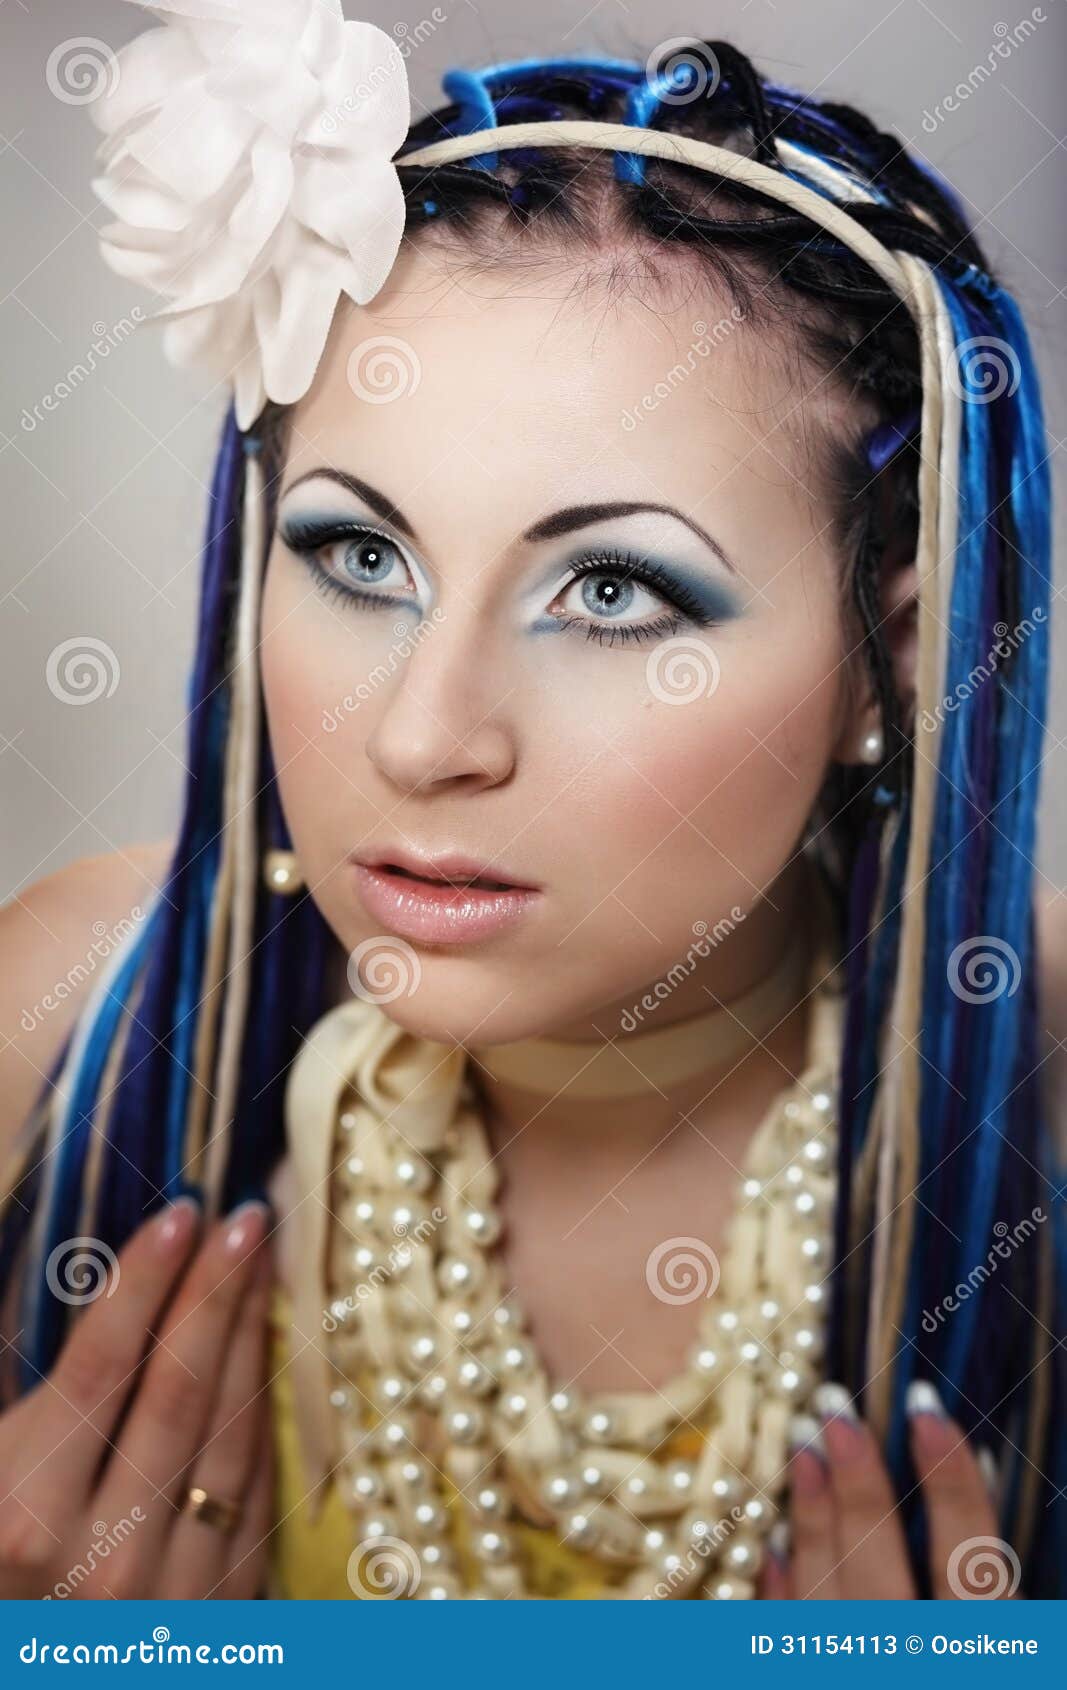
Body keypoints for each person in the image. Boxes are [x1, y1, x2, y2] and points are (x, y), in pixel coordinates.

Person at [0, 6, 1064, 1601]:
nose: (426, 738)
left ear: (888, 660)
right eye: (361, 558)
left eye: (615, 589)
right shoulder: (60, 1018)